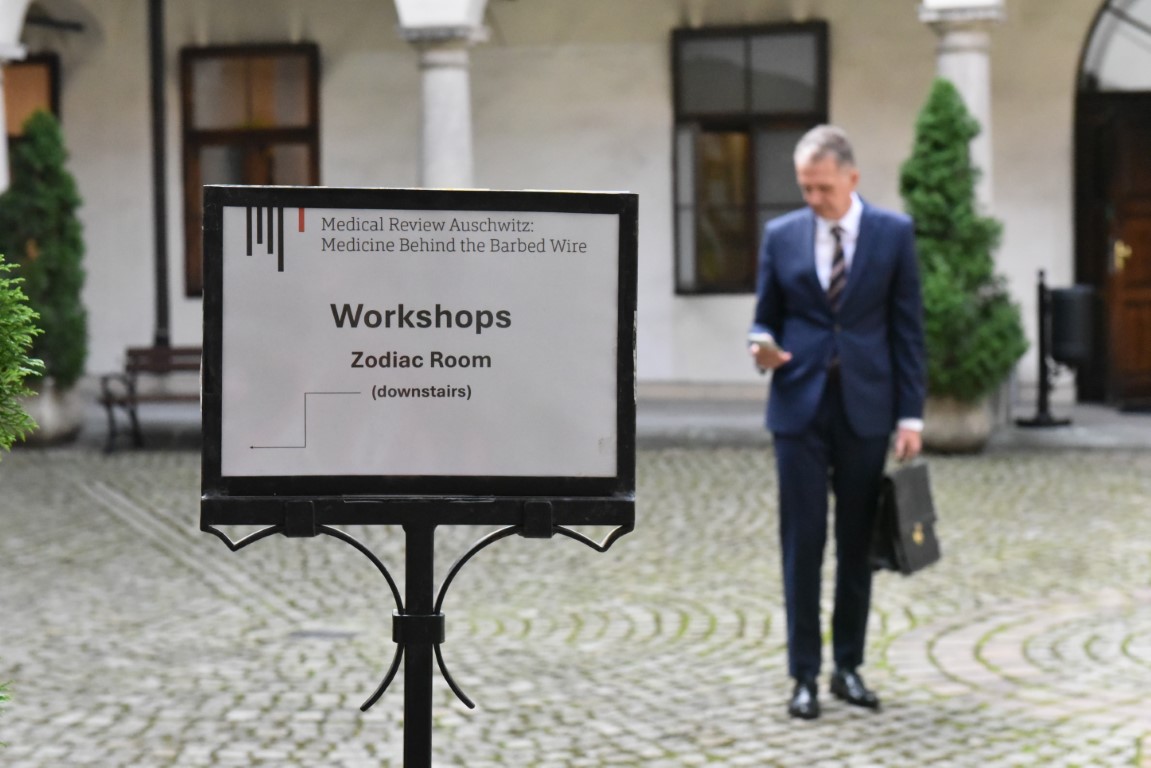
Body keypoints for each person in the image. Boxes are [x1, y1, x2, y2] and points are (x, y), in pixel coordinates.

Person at [749, 125, 926, 720]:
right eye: (805, 187)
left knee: (857, 545)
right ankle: (803, 675)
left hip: (866, 408)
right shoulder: (781, 235)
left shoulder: (893, 234)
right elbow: (764, 318)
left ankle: (848, 667)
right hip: (797, 409)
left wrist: (910, 416)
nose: (814, 198)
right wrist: (760, 347)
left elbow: (908, 330)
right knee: (801, 544)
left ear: (852, 177)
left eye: (823, 187)